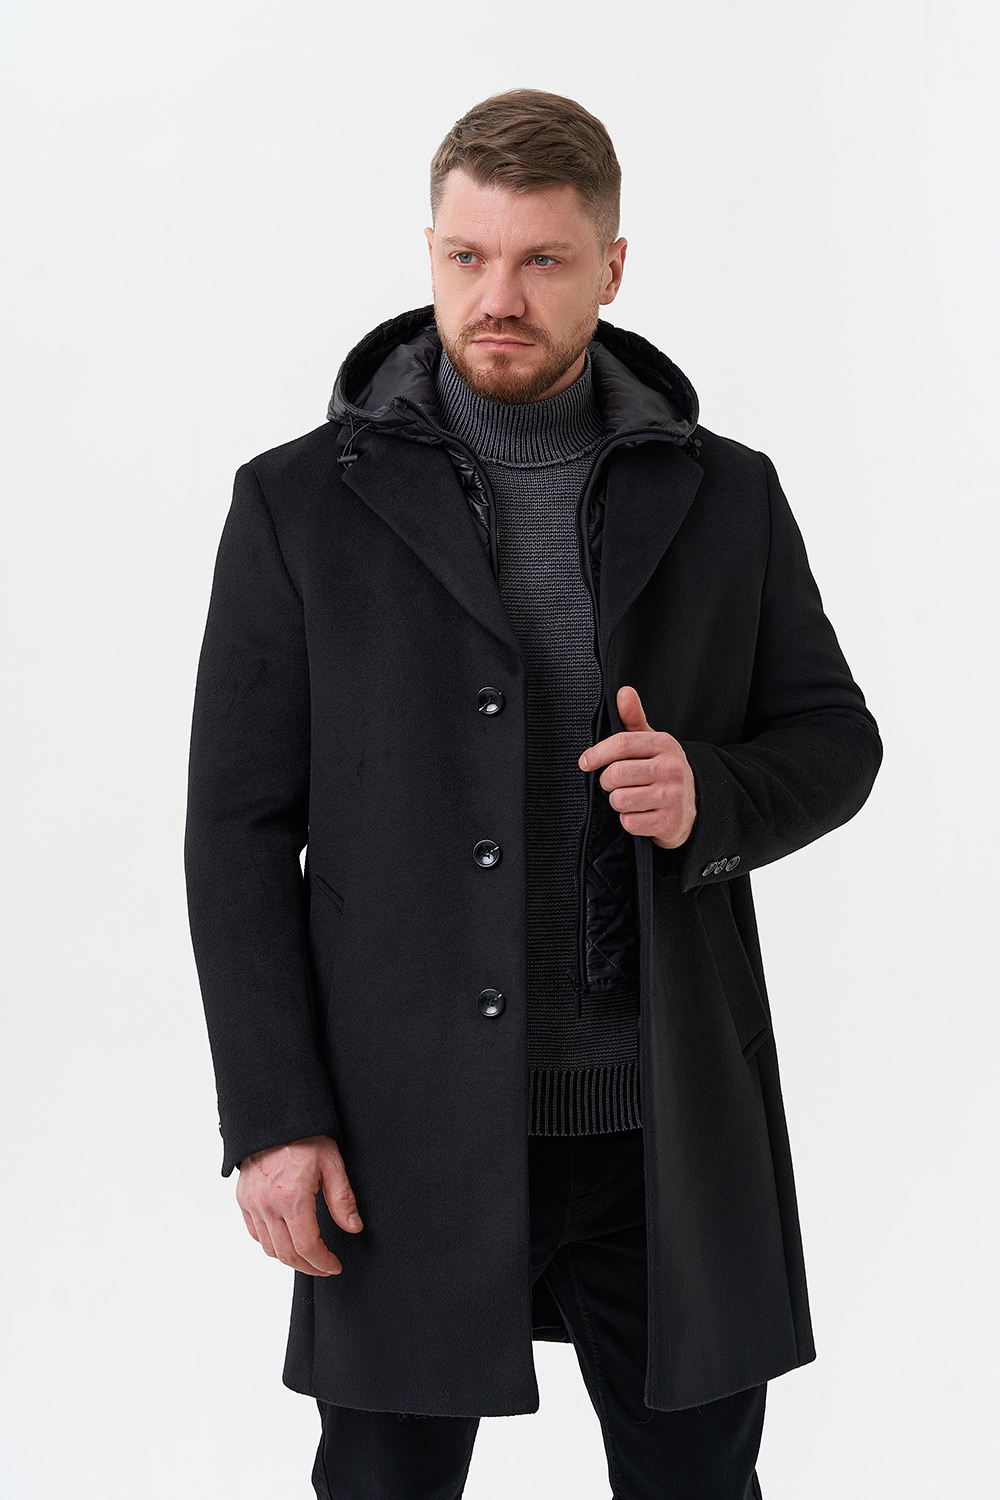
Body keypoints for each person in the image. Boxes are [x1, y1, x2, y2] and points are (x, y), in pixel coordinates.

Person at [184, 88, 882, 1500]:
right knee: (381, 1486)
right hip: (400, 1128)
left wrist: (710, 792)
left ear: (611, 268)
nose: (496, 298)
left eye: (542, 260)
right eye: (467, 257)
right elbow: (238, 833)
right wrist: (271, 1115)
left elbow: (836, 739)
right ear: (430, 252)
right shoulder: (297, 504)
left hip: (663, 1130)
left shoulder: (728, 495)